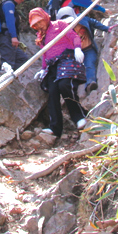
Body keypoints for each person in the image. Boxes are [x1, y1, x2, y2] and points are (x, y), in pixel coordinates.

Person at [29, 7, 87, 137]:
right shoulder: (40, 36)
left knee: (65, 85)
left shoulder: (59, 24)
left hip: (66, 59)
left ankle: (79, 117)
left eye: (40, 21)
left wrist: (77, 48)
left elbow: (74, 37)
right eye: (36, 24)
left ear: (45, 17)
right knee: (53, 92)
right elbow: (45, 54)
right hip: (52, 66)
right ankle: (55, 127)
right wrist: (43, 69)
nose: (39, 25)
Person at [56, 6, 116, 95]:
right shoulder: (61, 31)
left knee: (90, 64)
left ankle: (90, 83)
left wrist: (106, 28)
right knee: (75, 69)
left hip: (88, 49)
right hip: (73, 54)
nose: (69, 24)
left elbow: (94, 23)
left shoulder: (82, 19)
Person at [0, 0, 30, 70]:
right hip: (6, 37)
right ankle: (1, 79)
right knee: (8, 64)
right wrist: (14, 37)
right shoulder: (9, 4)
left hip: (7, 38)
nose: (23, 0)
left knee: (22, 59)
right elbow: (10, 21)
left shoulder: (8, 3)